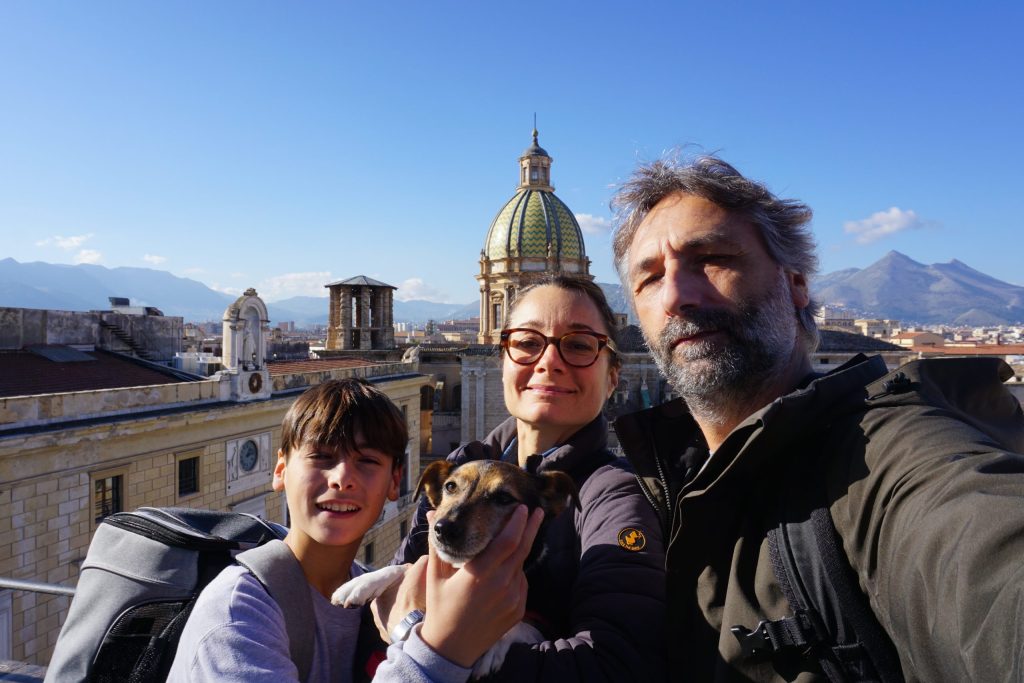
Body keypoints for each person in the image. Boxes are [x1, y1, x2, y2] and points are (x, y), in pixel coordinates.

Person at [609, 153, 1024, 681]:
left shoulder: (892, 458)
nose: (677, 295)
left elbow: (983, 553)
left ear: (797, 284)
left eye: (712, 257)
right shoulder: (651, 489)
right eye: (648, 279)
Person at [385, 274, 668, 681]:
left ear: (613, 377)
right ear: (503, 360)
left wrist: (430, 641)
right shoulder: (462, 467)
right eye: (527, 343)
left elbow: (617, 663)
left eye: (579, 345)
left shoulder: (615, 498)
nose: (549, 361)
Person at [168, 377, 543, 683]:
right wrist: (437, 651)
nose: (342, 478)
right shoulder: (239, 613)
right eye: (322, 457)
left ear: (395, 481)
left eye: (366, 461)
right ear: (280, 470)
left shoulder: (376, 590)